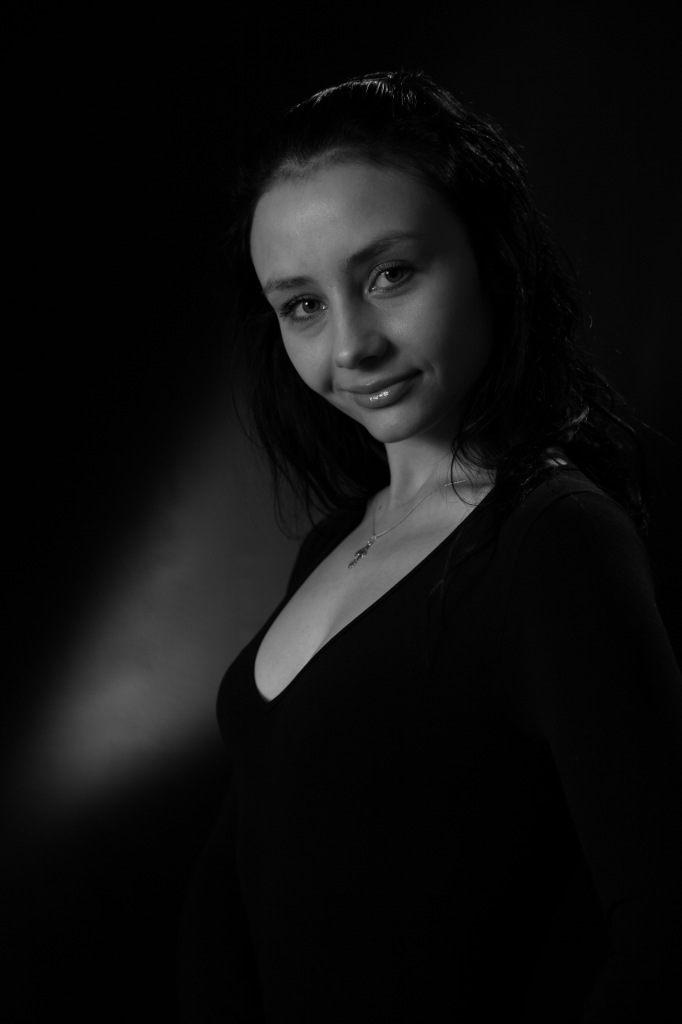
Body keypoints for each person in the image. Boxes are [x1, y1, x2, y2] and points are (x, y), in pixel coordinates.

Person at [177, 70, 682, 1022]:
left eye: (389, 275)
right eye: (302, 304)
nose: (351, 346)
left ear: (492, 257)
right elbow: (241, 886)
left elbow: (670, 928)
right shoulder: (338, 539)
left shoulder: (555, 541)